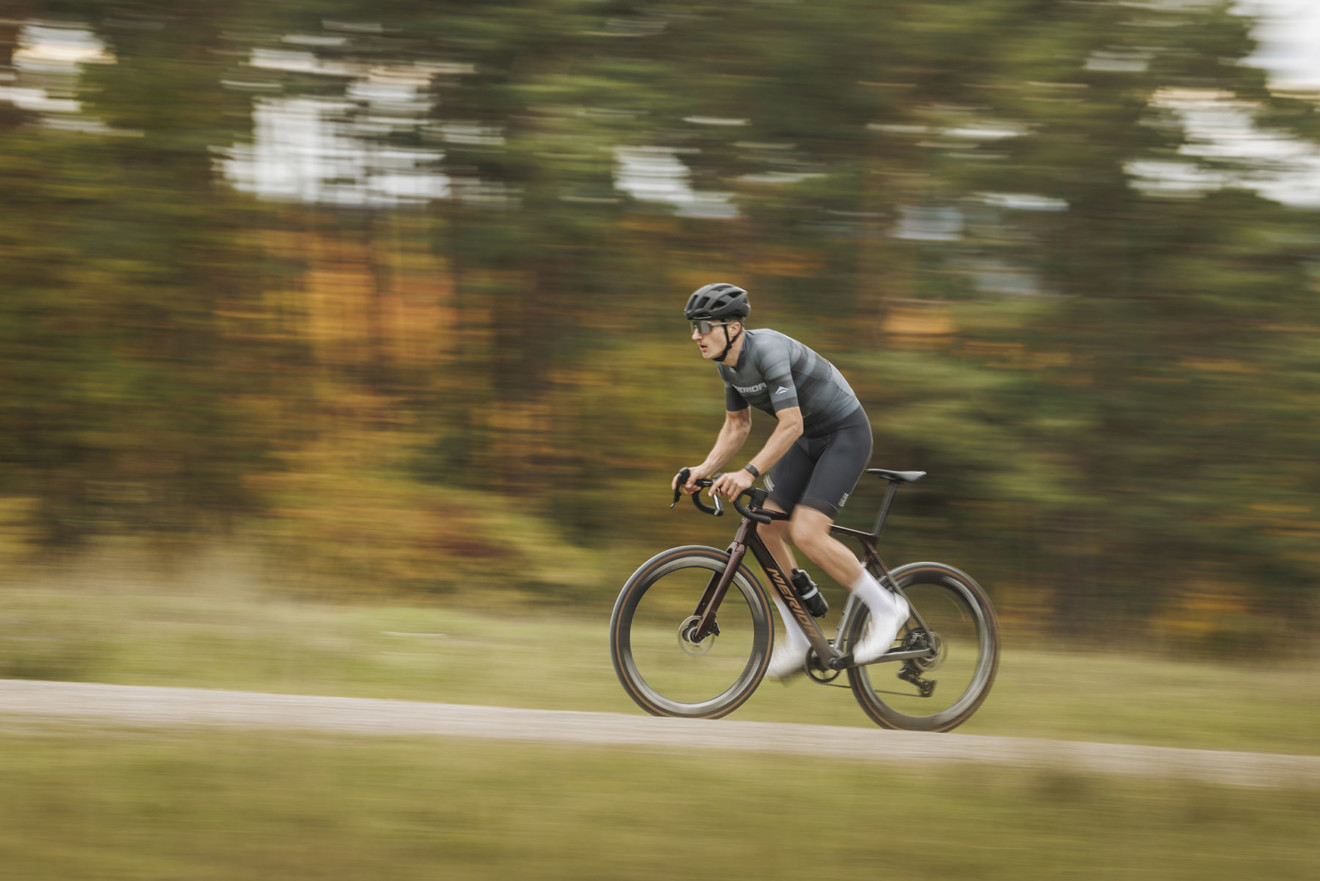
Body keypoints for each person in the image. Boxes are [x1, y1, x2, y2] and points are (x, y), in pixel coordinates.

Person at [673, 282, 909, 679]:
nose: (696, 335)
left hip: (844, 434)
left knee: (807, 533)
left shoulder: (767, 350)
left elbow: (791, 423)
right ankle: (800, 637)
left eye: (705, 326)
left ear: (733, 327)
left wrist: (748, 472)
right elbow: (737, 425)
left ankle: (887, 608)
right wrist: (704, 468)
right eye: (694, 326)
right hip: (807, 439)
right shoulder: (727, 365)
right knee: (766, 528)